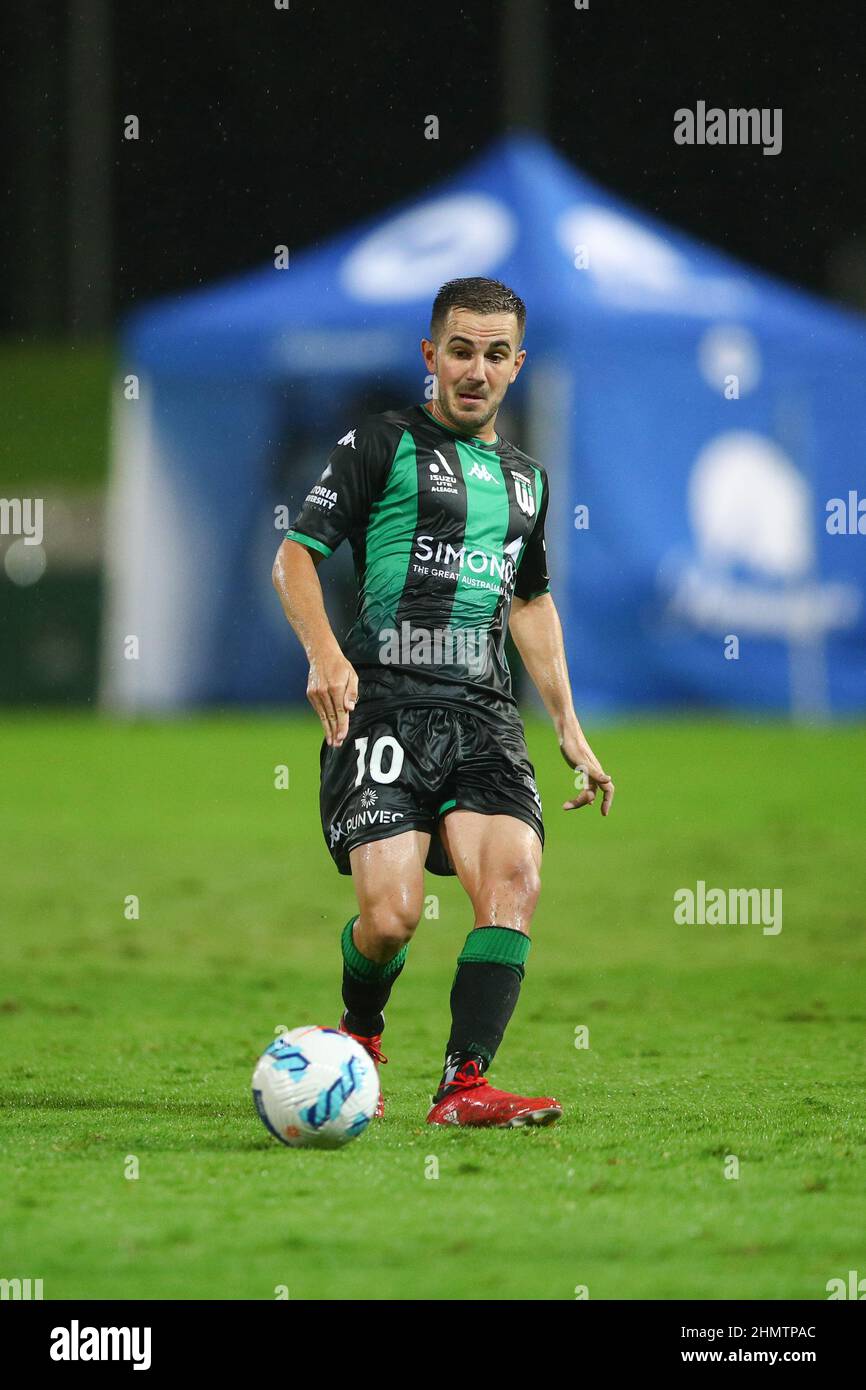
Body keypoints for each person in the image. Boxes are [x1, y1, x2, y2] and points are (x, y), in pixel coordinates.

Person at [272, 276, 614, 1127]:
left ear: (516, 366)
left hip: (485, 717)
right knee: (391, 919)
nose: (476, 369)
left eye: (496, 355)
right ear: (432, 356)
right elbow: (297, 557)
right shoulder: (379, 445)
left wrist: (568, 724)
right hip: (382, 707)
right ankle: (361, 1032)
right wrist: (323, 655)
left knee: (513, 881)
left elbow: (530, 603)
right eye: (461, 350)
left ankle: (464, 1087)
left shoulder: (527, 482)